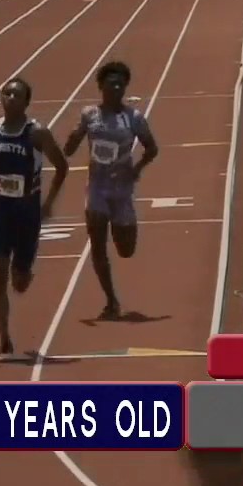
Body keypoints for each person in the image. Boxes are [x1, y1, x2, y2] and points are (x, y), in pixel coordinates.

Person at [0, 77, 69, 357]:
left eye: (16, 95)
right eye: (6, 93)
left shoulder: (37, 134)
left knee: (18, 282)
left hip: (27, 213)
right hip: (1, 212)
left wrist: (48, 204)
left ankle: (24, 271)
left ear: (26, 102)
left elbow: (61, 167)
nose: (10, 98)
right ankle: (4, 338)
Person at [63, 61, 159, 320]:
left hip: (121, 189)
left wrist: (137, 168)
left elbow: (152, 148)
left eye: (120, 84)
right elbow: (69, 148)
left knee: (126, 249)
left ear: (125, 87)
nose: (115, 88)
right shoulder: (89, 115)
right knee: (97, 244)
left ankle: (125, 229)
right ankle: (111, 301)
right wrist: (73, 139)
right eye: (110, 83)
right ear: (100, 86)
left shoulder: (133, 118)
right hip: (97, 187)